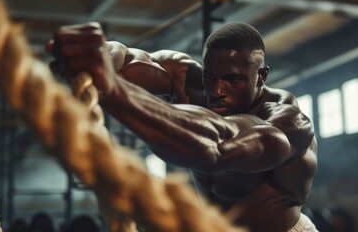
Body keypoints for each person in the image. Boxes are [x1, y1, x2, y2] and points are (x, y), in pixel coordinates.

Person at [48, 22, 318, 232]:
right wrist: (97, 55)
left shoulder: (287, 123)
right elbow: (129, 60)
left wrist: (112, 88)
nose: (216, 90)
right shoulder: (191, 82)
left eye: (232, 79)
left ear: (261, 76)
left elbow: (217, 147)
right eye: (210, 77)